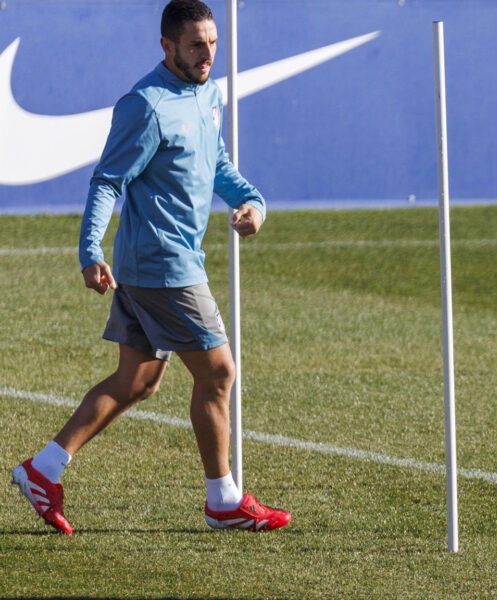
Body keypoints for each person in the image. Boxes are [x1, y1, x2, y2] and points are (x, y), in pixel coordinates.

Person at [11, 0, 290, 534]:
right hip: (165, 266)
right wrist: (89, 250)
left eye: (212, 42)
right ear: (167, 47)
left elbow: (216, 163)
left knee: (136, 380)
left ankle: (43, 470)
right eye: (195, 45)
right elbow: (107, 181)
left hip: (153, 266)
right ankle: (223, 500)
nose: (207, 54)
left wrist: (252, 202)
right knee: (219, 372)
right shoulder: (145, 105)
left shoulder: (209, 92)